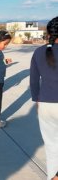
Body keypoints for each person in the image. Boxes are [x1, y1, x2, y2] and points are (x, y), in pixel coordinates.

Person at [30, 17, 58, 180]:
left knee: (52, 146)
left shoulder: (39, 52)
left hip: (46, 104)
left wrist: (37, 100)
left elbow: (34, 81)